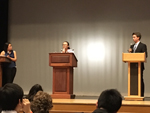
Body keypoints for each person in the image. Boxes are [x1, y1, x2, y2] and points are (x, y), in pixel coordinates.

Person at [128, 32, 148, 96]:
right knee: (133, 80)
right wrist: (130, 53)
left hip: (139, 66)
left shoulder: (143, 45)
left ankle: (141, 94)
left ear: (138, 37)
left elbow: (145, 55)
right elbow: (130, 56)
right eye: (132, 37)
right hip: (132, 66)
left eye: (134, 37)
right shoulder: (132, 46)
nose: (133, 38)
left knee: (140, 80)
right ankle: (133, 94)